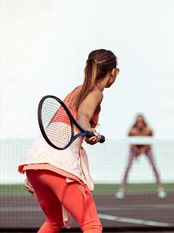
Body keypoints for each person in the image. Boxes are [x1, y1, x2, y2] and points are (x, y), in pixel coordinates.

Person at [18, 49, 119, 233]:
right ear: (113, 72)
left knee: (54, 222)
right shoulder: (96, 93)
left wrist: (88, 133)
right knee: (92, 225)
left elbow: (67, 126)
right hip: (60, 164)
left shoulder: (76, 91)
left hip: (36, 162)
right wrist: (89, 131)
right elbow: (82, 117)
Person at [115, 114, 167, 199]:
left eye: (141, 121)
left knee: (154, 166)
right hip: (134, 148)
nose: (140, 123)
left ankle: (160, 189)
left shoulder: (148, 130)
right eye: (138, 121)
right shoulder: (132, 131)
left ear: (144, 121)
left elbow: (149, 142)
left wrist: (143, 150)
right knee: (128, 167)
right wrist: (137, 151)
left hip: (147, 148)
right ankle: (121, 190)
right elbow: (131, 143)